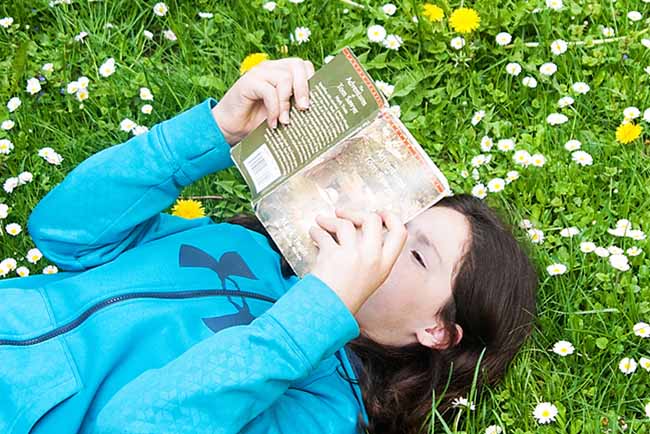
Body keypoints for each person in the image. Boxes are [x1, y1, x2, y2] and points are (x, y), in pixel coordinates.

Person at [0, 57, 538, 434]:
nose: (378, 230)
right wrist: (213, 132)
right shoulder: (242, 244)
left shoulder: (327, 407)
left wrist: (317, 313)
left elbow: (133, 425)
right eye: (396, 215)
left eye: (416, 253)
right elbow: (65, 232)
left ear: (438, 331)